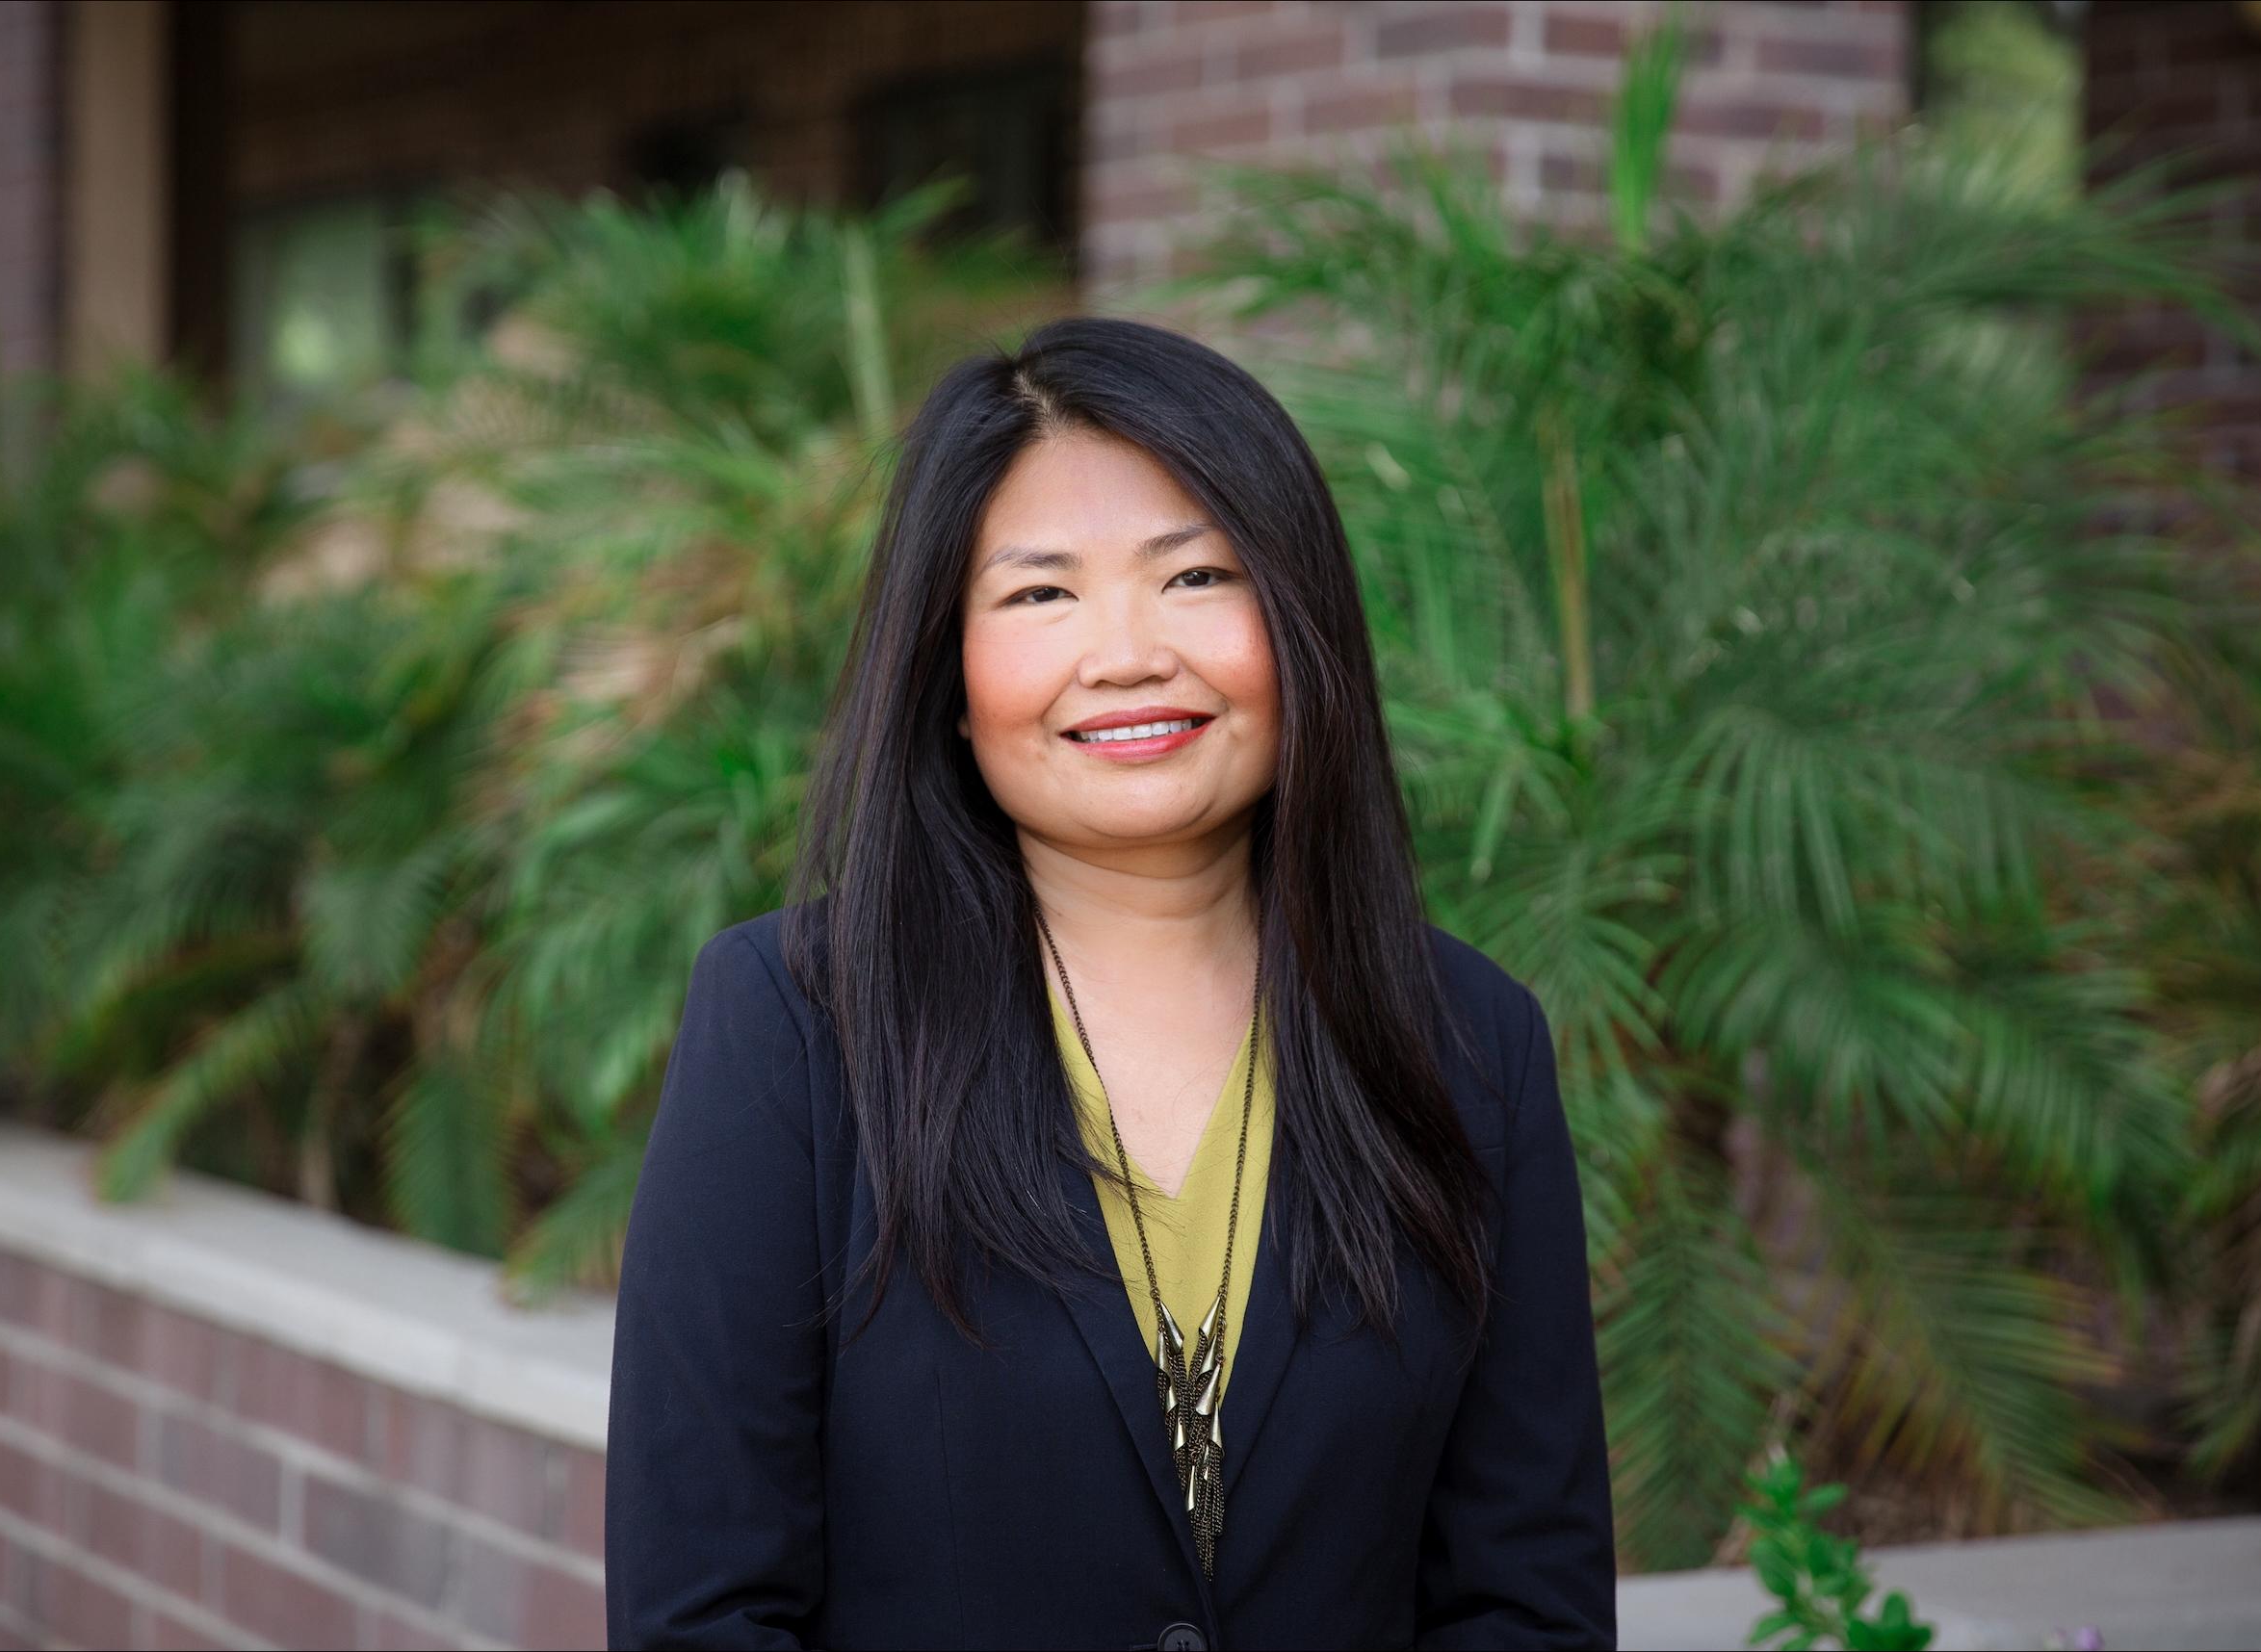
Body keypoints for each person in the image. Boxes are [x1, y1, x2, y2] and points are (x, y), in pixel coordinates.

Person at [604, 316, 1614, 1650]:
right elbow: (704, 1609)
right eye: (1039, 593)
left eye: (1195, 578)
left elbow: (1522, 1598)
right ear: (946, 677)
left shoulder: (1469, 1045)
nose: (1128, 652)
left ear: (1298, 623)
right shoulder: (795, 1027)